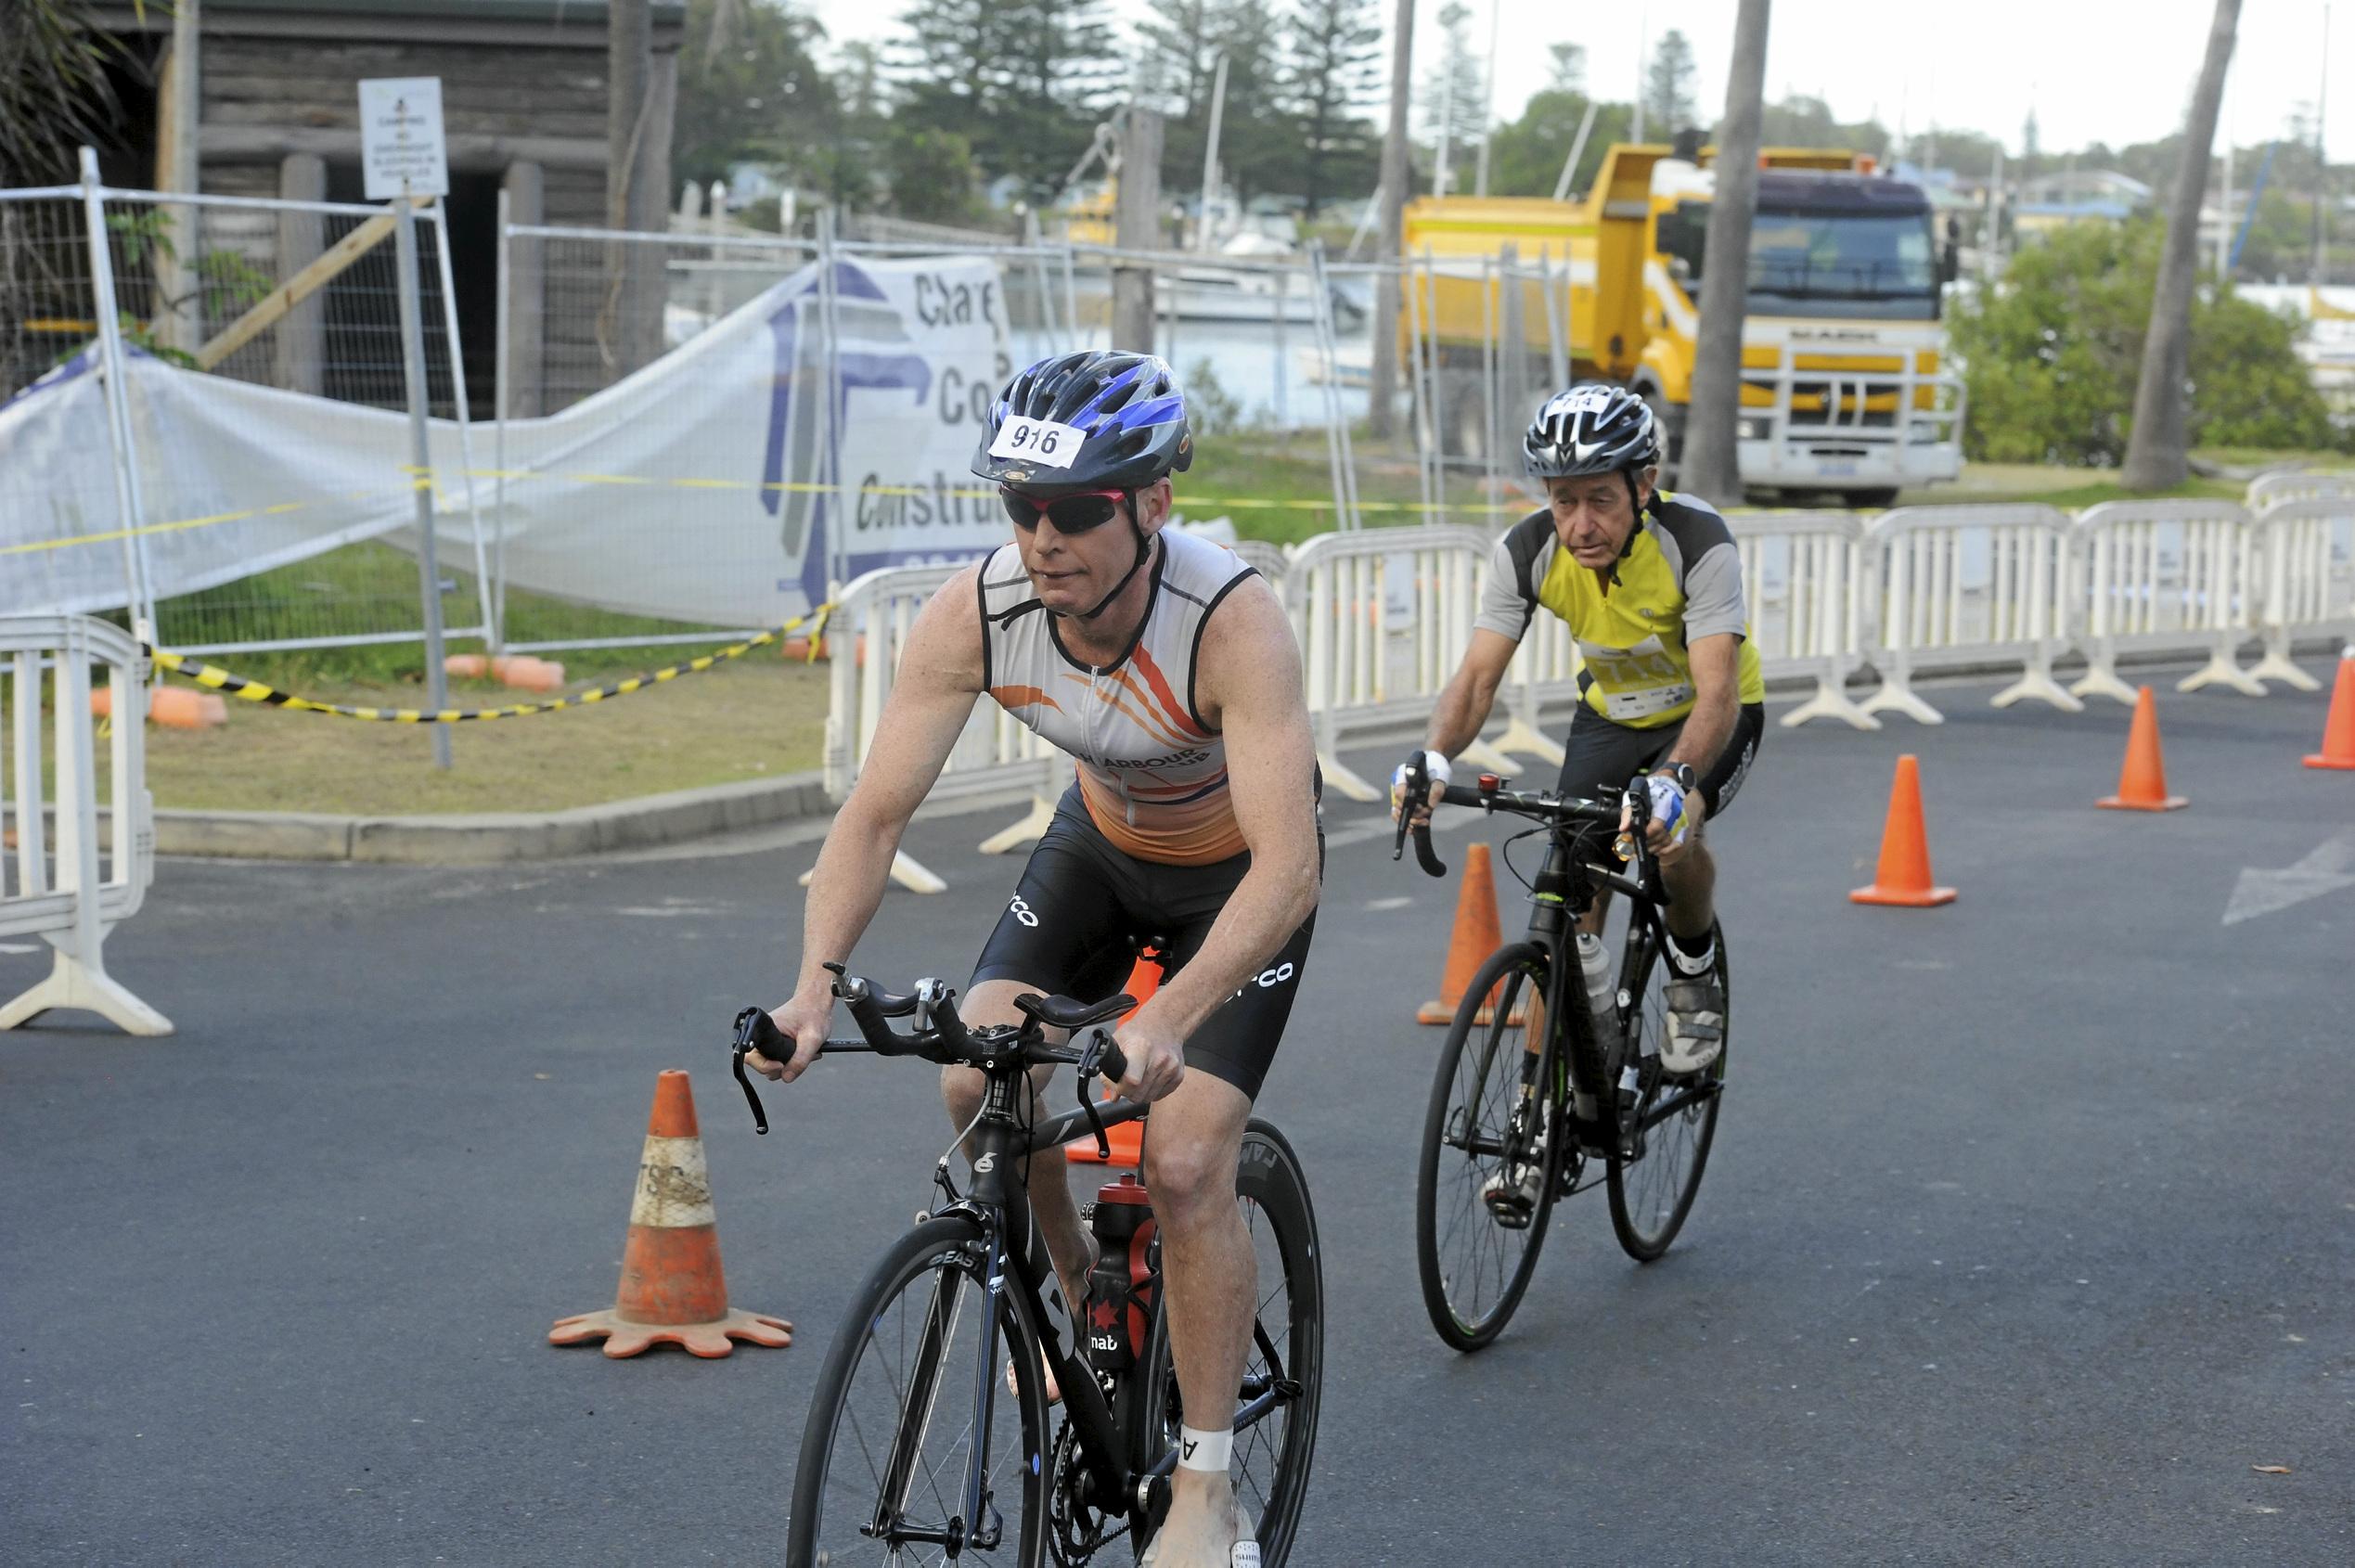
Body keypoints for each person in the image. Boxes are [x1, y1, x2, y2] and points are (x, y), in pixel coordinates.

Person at [750, 350, 1320, 1568]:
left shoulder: (1232, 620)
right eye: (1019, 507)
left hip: (1236, 881)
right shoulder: (982, 607)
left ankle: (1207, 1488)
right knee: (972, 1078)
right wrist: (811, 988)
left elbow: (1290, 870)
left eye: (1072, 509)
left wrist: (1173, 1017)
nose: (1042, 538)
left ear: (1151, 501)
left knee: (1182, 1153)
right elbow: (873, 813)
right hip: (1099, 853)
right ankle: (1086, 1302)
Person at [1394, 382, 1762, 1221]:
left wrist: (1674, 783)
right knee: (1566, 901)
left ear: (1644, 484)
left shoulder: (1698, 540)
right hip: (1609, 719)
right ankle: (1541, 1117)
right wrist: (1431, 755)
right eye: (1564, 502)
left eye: (1600, 499)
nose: (1581, 523)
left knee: (1673, 837)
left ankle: (1694, 967)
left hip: (1708, 721)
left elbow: (1716, 694)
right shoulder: (1527, 550)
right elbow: (1479, 674)